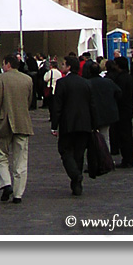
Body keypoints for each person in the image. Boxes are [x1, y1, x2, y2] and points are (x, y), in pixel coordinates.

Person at [0, 54, 34, 203]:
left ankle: (6, 183)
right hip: (22, 122)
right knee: (21, 159)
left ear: (7, 64)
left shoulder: (0, 79)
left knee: (1, 155)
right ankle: (18, 193)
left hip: (4, 122)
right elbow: (29, 101)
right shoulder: (27, 80)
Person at [50, 55, 96, 196]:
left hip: (68, 123)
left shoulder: (62, 83)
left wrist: (54, 125)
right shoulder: (86, 83)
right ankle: (77, 184)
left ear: (69, 67)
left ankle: (75, 175)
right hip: (84, 123)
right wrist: (94, 124)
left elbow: (57, 106)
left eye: (64, 64)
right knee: (79, 153)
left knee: (65, 150)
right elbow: (92, 105)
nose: (62, 66)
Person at [112, 56, 133, 169]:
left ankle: (127, 159)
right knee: (126, 135)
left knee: (124, 135)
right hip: (127, 109)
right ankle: (128, 158)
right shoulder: (127, 77)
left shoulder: (122, 78)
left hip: (122, 109)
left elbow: (119, 94)